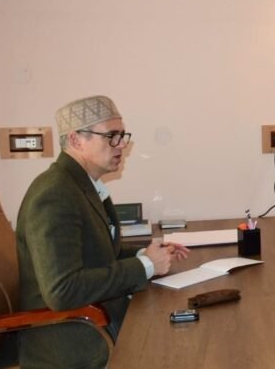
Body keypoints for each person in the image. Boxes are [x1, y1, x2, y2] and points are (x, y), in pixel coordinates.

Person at [16, 95, 190, 368]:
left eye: (122, 136)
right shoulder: (54, 194)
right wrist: (144, 266)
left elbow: (97, 252)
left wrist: (145, 254)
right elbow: (63, 290)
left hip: (96, 319)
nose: (121, 145)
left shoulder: (80, 184)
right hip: (73, 342)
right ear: (76, 140)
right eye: (111, 136)